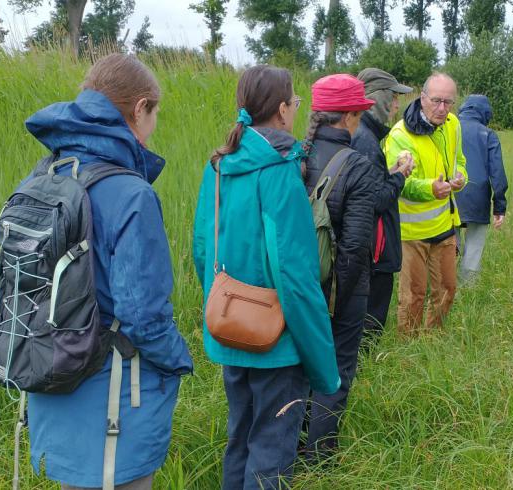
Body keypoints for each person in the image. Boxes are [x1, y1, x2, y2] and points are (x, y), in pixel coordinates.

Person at [22, 53, 194, 490]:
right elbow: (144, 313)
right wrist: (178, 359)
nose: (154, 126)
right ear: (140, 109)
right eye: (154, 113)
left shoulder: (42, 177)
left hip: (51, 372)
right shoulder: (131, 194)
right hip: (116, 390)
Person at [191, 65, 341, 490]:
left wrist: (225, 310)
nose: (296, 109)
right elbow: (295, 276)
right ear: (281, 110)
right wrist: (324, 367)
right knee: (272, 456)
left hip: (229, 330)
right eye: (295, 102)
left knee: (239, 441)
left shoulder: (218, 167)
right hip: (277, 344)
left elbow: (202, 250)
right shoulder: (280, 171)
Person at [297, 74, 413, 461]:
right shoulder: (358, 166)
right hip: (342, 292)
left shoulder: (295, 156)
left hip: (297, 286)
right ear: (348, 116)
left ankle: (294, 443)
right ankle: (320, 457)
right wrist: (340, 303)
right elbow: (354, 246)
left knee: (298, 370)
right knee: (337, 373)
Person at [383, 73, 468, 335]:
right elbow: (398, 182)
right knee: (413, 297)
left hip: (444, 226)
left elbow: (460, 162)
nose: (442, 108)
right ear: (422, 98)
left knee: (447, 290)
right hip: (412, 234)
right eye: (436, 101)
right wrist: (431, 188)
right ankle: (408, 351)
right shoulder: (400, 135)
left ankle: (433, 343)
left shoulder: (453, 124)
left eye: (448, 102)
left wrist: (461, 178)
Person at [352, 68, 415, 343]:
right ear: (377, 98)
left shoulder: (363, 135)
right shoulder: (365, 141)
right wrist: (401, 175)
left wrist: (389, 172)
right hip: (374, 254)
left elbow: (368, 185)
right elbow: (376, 200)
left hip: (368, 252)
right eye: (394, 97)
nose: (397, 105)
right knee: (369, 324)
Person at [454, 94, 508, 285]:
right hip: (478, 198)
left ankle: (445, 287)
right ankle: (467, 288)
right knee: (474, 246)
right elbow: (498, 174)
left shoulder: (448, 128)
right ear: (485, 113)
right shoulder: (488, 134)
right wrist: (499, 207)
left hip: (448, 194)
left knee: (449, 245)